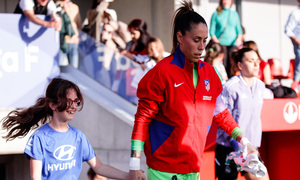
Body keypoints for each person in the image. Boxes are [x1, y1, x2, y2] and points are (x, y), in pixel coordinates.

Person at [129, 1, 259, 180]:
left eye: (205, 40)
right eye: (196, 40)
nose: (202, 47)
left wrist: (244, 141)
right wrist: (134, 165)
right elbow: (142, 119)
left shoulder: (210, 73)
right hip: (163, 171)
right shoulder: (161, 72)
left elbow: (221, 114)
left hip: (193, 169)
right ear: (180, 37)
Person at [1, 78, 133, 179]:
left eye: (76, 101)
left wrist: (128, 176)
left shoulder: (78, 136)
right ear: (53, 105)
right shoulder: (39, 137)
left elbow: (99, 167)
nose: (74, 106)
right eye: (68, 101)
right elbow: (35, 178)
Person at [215, 48, 270, 180]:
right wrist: (237, 143)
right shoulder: (230, 87)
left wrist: (249, 146)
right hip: (228, 148)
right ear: (240, 65)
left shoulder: (261, 86)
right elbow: (222, 118)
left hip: (251, 149)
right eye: (251, 61)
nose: (256, 65)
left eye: (257, 61)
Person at [210, 0, 243, 77]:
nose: (226, 1)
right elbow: (212, 31)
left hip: (232, 44)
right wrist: (217, 43)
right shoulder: (216, 14)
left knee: (232, 65)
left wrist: (238, 40)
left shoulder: (234, 14)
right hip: (221, 45)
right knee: (222, 65)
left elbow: (239, 30)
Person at [56, 0, 82, 68]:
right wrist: (63, 9)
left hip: (73, 40)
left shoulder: (74, 7)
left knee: (74, 67)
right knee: (60, 66)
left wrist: (78, 36)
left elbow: (78, 23)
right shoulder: (57, 5)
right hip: (62, 41)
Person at [285, 0, 300, 90]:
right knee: (299, 68)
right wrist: (297, 40)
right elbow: (288, 30)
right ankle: (295, 88)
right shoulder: (295, 13)